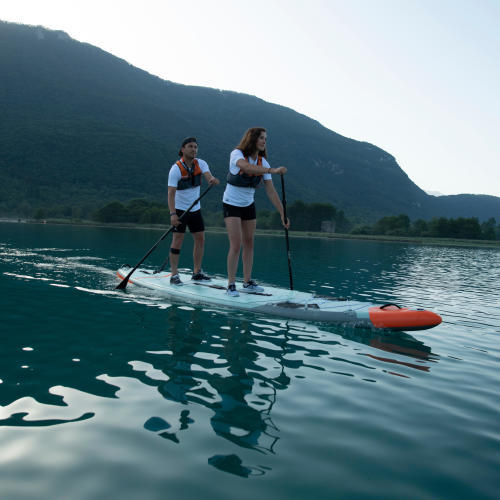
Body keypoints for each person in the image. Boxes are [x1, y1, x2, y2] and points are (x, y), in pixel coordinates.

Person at [223, 127, 289, 297]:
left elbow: (271, 192)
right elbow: (246, 167)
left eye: (265, 139)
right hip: (231, 204)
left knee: (249, 243)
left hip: (248, 205)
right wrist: (271, 170)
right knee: (236, 244)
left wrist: (283, 213)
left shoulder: (263, 162)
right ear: (252, 139)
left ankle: (247, 282)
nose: (264, 141)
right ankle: (231, 284)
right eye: (261, 138)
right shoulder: (237, 154)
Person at [167, 137, 219, 285]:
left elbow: (209, 176)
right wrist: (172, 214)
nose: (194, 149)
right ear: (183, 149)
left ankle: (196, 272)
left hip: (195, 209)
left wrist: (212, 180)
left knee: (200, 239)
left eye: (196, 147)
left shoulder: (201, 163)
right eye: (190, 146)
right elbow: (170, 194)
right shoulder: (176, 169)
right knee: (177, 240)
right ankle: (174, 274)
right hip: (180, 210)